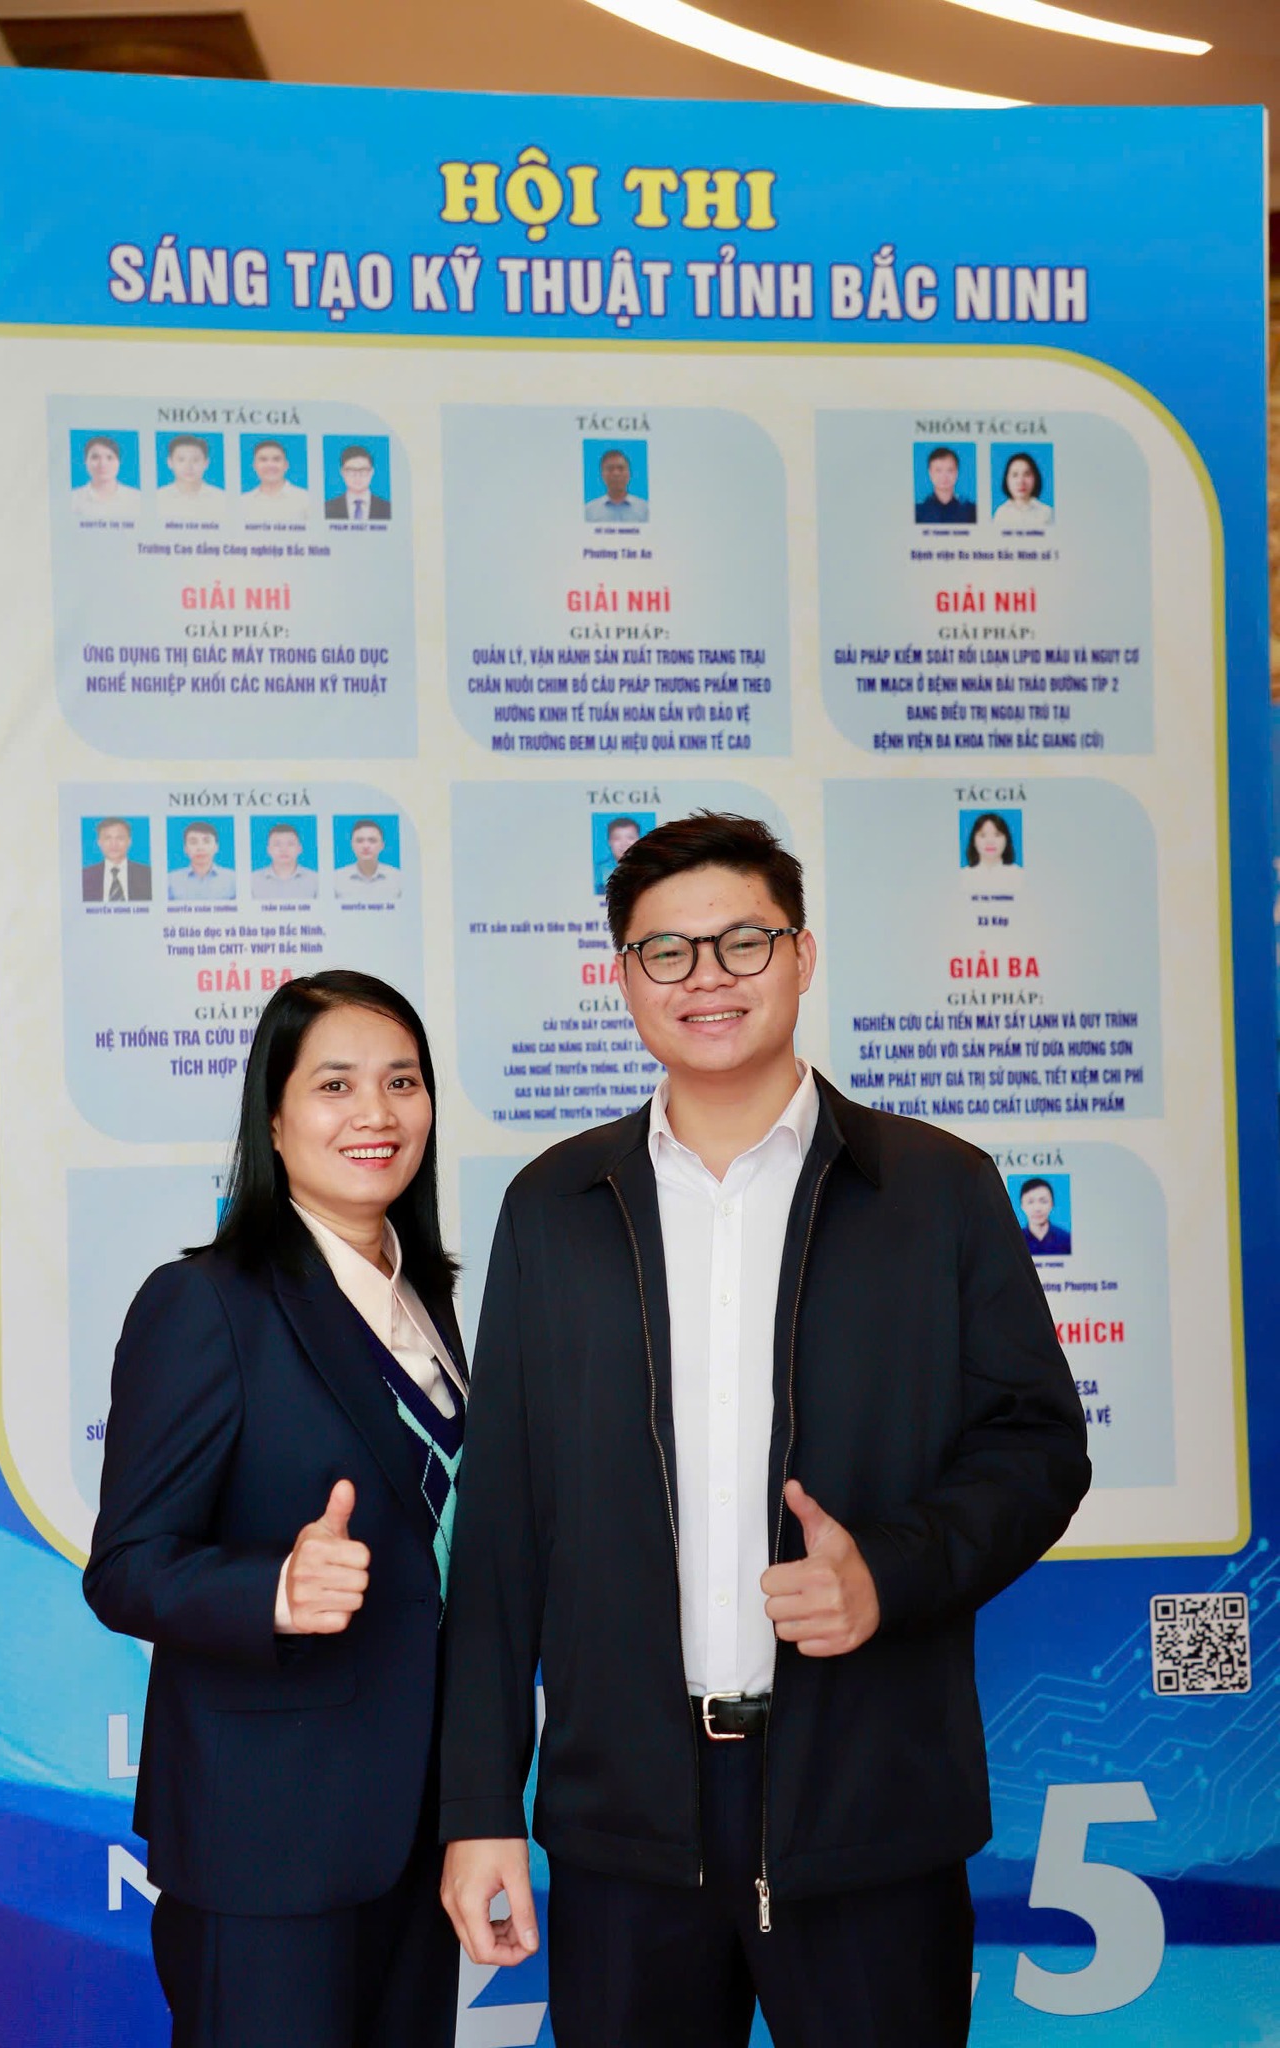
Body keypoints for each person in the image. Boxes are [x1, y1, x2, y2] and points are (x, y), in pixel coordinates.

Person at [440, 810, 1089, 2048]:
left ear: (801, 954)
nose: (708, 977)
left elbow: (1038, 1443)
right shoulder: (555, 1206)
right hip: (626, 1820)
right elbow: (503, 1528)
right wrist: (479, 1804)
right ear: (623, 977)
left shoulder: (936, 1189)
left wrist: (890, 1569)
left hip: (868, 1809)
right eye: (667, 951)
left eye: (743, 941)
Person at [83, 970, 466, 2048]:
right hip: (266, 1836)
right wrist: (276, 1591)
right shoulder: (207, 1301)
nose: (375, 1112)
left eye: (402, 1081)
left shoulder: (424, 1298)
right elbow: (125, 1567)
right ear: (274, 1120)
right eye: (334, 1084)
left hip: (414, 1824)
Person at [82, 817, 152, 903]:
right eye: (108, 838)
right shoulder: (85, 876)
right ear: (99, 842)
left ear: (129, 842)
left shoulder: (147, 875)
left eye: (120, 838)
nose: (114, 844)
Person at [167, 821, 237, 903]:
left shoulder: (233, 879)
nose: (200, 848)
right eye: (193, 842)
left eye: (206, 841)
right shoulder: (170, 880)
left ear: (216, 847)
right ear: (185, 849)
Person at [72, 434, 141, 515]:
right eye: (95, 457)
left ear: (119, 462)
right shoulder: (72, 499)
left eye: (109, 458)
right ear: (85, 462)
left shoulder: (137, 498)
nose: (102, 464)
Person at [335, 820, 401, 902]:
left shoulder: (398, 878)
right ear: (352, 845)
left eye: (372, 840)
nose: (366, 846)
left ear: (382, 845)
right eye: (360, 841)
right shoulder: (336, 879)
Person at [157, 434, 227, 512]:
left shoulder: (222, 499)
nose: (188, 467)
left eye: (195, 460)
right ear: (170, 462)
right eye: (181, 460)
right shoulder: (158, 498)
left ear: (206, 463)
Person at [252, 823, 319, 903]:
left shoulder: (316, 880)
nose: (284, 849)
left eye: (290, 844)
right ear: (268, 850)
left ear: (299, 849)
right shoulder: (252, 881)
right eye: (277, 844)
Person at [325, 445, 392, 523]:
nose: (357, 476)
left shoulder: (388, 509)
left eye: (363, 470)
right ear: (342, 472)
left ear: (372, 472)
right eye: (351, 470)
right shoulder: (327, 509)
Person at [242, 439, 309, 515]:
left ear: (286, 465)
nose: (270, 465)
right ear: (254, 466)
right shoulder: (243, 502)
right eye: (263, 460)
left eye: (276, 459)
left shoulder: (306, 499)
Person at [961, 810, 1022, 893]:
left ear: (1006, 840)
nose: (990, 841)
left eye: (997, 835)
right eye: (983, 835)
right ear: (973, 841)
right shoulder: (962, 876)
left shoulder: (1020, 875)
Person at [915, 445, 976, 525]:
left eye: (950, 470)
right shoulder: (918, 511)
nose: (944, 476)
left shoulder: (970, 510)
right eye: (938, 470)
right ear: (930, 473)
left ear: (956, 473)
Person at [992, 451, 1053, 531]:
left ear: (1035, 478)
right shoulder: (1001, 514)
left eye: (1027, 474)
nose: (1021, 481)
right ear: (1006, 480)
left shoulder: (1047, 513)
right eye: (1015, 475)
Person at [585, 447, 648, 523]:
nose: (616, 473)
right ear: (602, 475)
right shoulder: (589, 511)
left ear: (629, 474)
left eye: (621, 468)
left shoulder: (645, 509)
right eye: (610, 469)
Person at [1018, 1177, 1072, 1257]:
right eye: (1030, 1202)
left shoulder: (1067, 1239)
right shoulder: (1015, 1240)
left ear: (1052, 1204)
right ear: (1022, 1206)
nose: (1037, 1208)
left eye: (1043, 1201)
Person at [593, 814, 644, 893]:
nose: (624, 844)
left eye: (630, 838)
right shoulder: (599, 870)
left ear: (639, 840)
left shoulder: (650, 868)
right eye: (617, 838)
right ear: (609, 842)